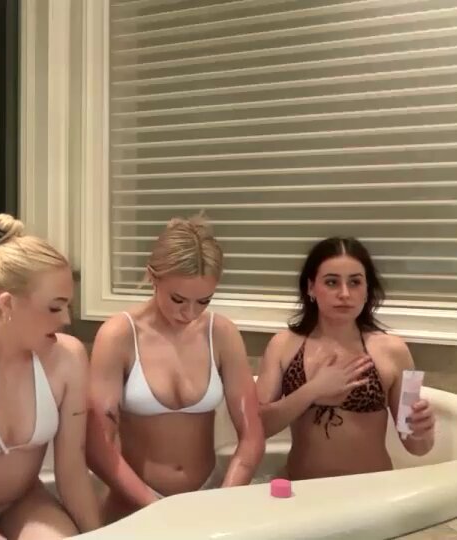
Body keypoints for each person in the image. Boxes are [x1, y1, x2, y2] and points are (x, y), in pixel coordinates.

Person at [86, 216, 265, 523]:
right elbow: (98, 446)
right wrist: (154, 506)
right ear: (152, 277)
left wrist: (225, 498)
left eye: (203, 301)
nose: (190, 313)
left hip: (209, 495)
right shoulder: (119, 336)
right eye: (178, 299)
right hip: (135, 502)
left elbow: (252, 436)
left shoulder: (221, 334)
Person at [0, 214, 101, 539]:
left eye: (68, 306)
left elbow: (72, 470)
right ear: (7, 304)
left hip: (24, 503)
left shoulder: (68, 359)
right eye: (55, 307)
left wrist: (99, 536)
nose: (66, 320)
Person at [254, 236, 436, 480]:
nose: (344, 293)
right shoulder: (283, 345)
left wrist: (422, 431)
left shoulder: (395, 351)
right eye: (331, 282)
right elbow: (255, 428)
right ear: (311, 287)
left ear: (367, 289)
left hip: (371, 491)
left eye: (355, 282)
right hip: (300, 489)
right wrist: (313, 391)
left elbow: (417, 448)